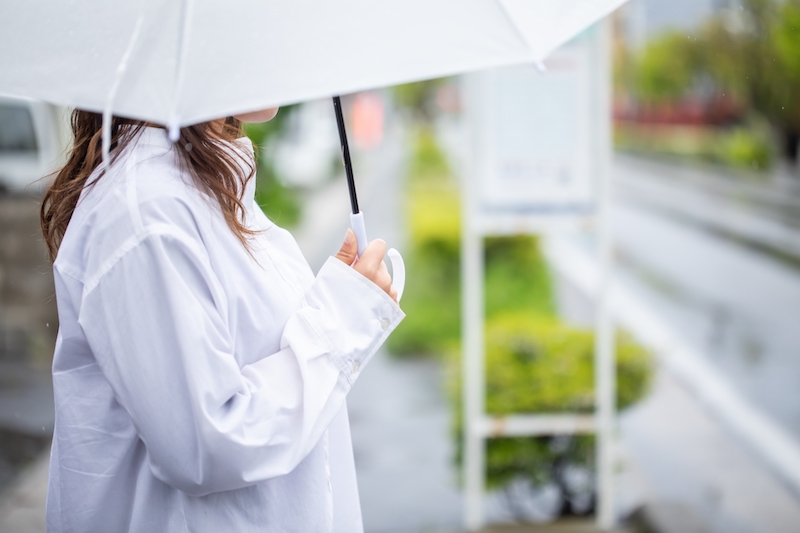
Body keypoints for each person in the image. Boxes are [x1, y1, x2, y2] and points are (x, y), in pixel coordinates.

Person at [40, 108, 404, 532]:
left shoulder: (208, 184)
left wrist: (342, 305)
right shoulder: (146, 216)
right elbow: (205, 444)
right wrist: (340, 323)